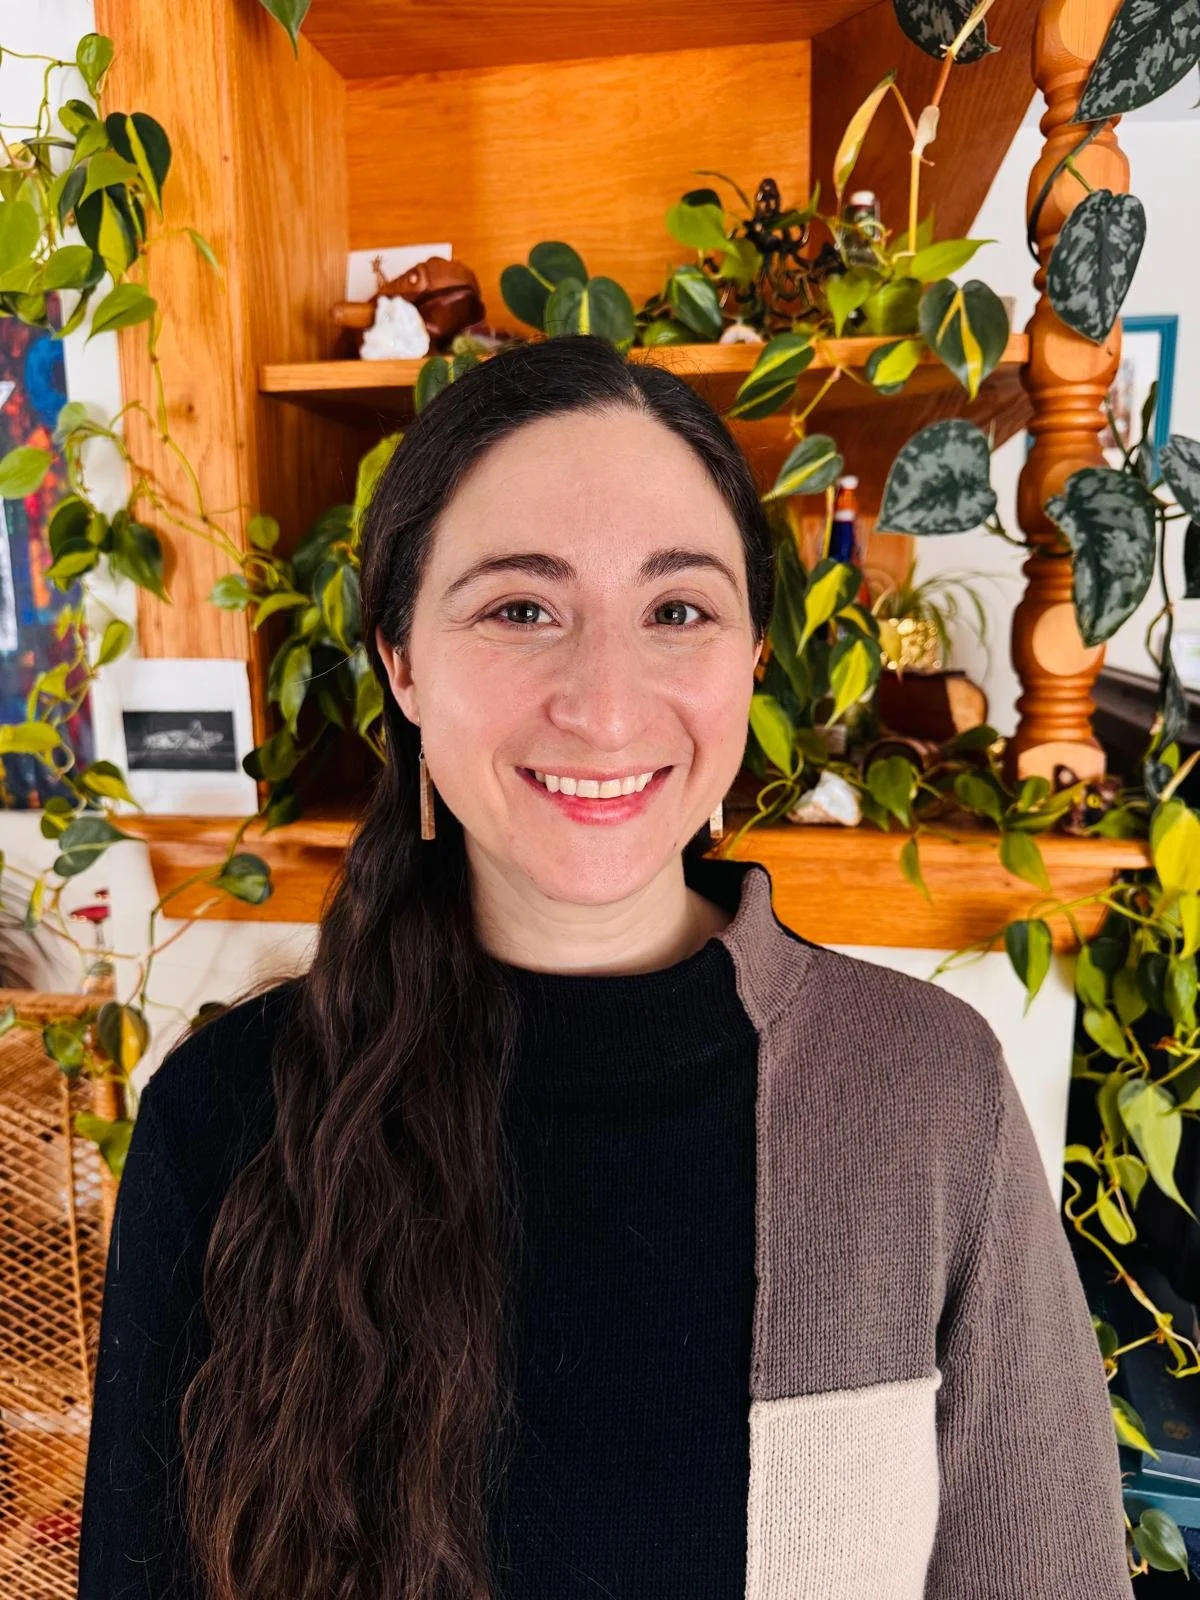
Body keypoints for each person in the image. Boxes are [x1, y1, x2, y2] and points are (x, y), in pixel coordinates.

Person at [78, 333, 1133, 1599]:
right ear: (404, 661)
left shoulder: (919, 1094)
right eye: (521, 607)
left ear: (750, 661)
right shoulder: (229, 1117)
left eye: (677, 609)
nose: (608, 701)